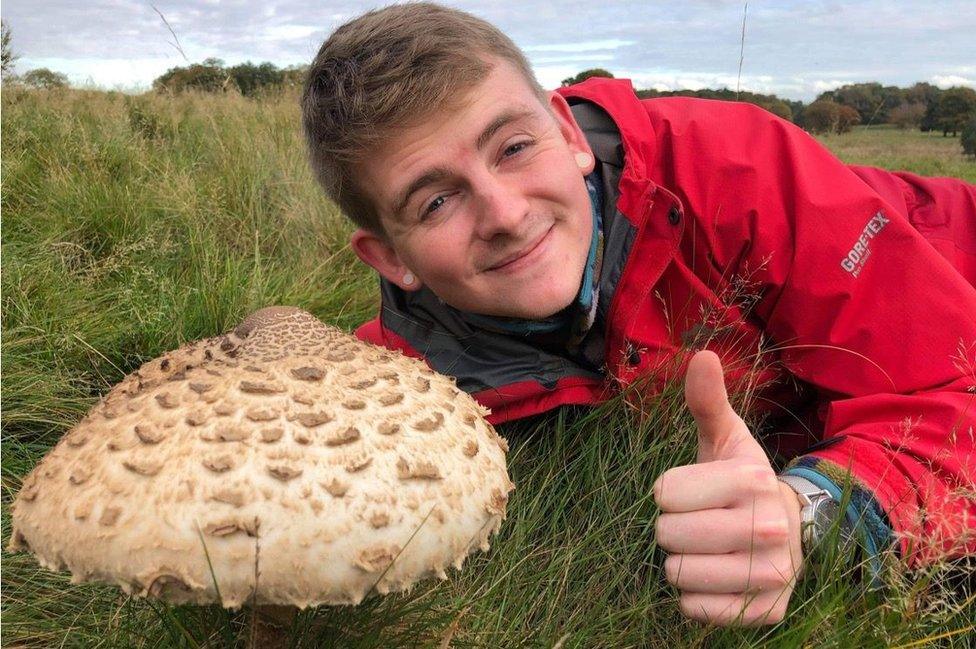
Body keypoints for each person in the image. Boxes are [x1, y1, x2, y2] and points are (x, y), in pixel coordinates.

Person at [301, 2, 976, 626]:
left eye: (513, 147)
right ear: (391, 258)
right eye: (436, 203)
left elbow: (953, 390)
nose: (507, 215)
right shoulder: (390, 391)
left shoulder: (739, 170)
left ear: (567, 132)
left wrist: (810, 515)